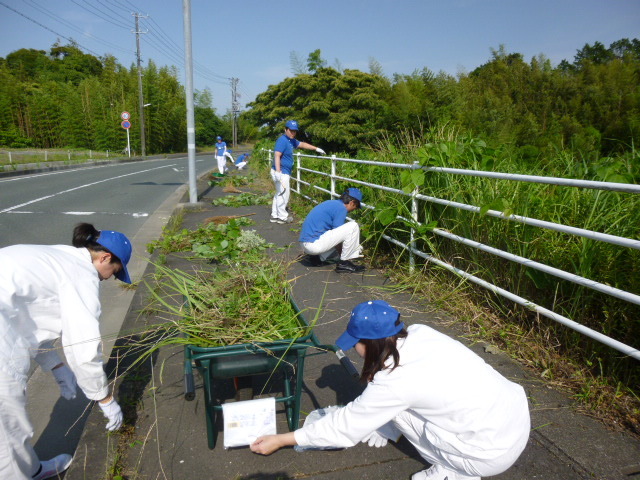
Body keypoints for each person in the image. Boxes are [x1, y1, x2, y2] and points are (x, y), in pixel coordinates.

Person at [251, 300, 531, 480]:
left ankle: (454, 473)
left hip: (487, 455)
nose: (355, 350)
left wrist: (282, 439)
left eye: (356, 343)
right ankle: (392, 427)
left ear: (370, 344)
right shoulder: (421, 332)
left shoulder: (395, 381)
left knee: (389, 409)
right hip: (511, 417)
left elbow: (343, 428)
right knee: (390, 407)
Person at [0, 223, 132, 480]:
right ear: (104, 257)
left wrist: (57, 367)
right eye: (113, 271)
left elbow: (29, 318)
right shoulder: (80, 274)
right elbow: (83, 346)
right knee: (8, 429)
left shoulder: (59, 257)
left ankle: (32, 470)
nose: (108, 278)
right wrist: (104, 399)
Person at [271, 120, 326, 224]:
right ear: (285, 130)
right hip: (281, 172)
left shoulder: (291, 141)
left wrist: (316, 148)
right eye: (291, 130)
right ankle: (282, 217)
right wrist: (278, 172)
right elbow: (277, 155)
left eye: (295, 131)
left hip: (281, 171)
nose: (293, 133)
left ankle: (275, 215)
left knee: (279, 193)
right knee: (284, 194)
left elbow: (302, 145)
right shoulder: (282, 140)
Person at [299, 188, 365, 273]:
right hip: (313, 245)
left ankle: (317, 257)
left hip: (306, 244)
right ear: (352, 202)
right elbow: (338, 236)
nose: (353, 210)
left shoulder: (331, 203)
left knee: (350, 246)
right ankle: (344, 264)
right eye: (355, 207)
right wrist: (343, 255)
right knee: (353, 226)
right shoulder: (341, 208)